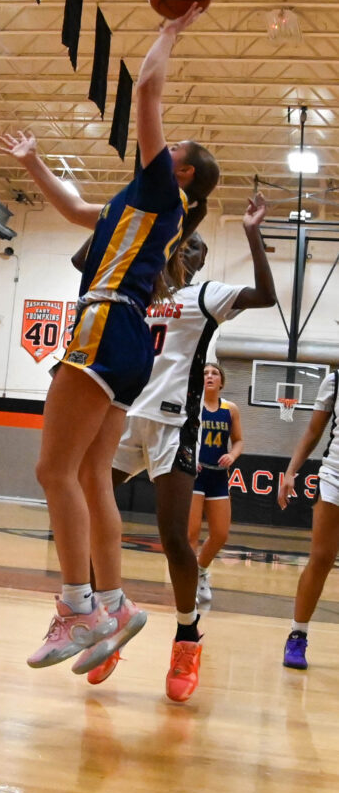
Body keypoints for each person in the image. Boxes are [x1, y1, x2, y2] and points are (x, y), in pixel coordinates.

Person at [0, 4, 220, 676]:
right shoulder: (137, 207)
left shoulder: (161, 192)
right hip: (130, 345)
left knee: (53, 471)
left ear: (182, 172)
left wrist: (169, 32)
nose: (165, 147)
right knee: (93, 474)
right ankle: (115, 604)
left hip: (103, 323)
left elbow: (147, 92)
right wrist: (34, 163)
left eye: (175, 150)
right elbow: (74, 209)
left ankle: (77, 607)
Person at [92, 197, 275, 699]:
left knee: (174, 538)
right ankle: (107, 621)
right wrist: (117, 215)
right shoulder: (141, 286)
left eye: (196, 246)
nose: (186, 249)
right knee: (91, 516)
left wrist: (252, 233)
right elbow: (82, 260)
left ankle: (187, 636)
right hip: (125, 415)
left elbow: (265, 294)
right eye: (182, 242)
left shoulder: (206, 293)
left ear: (202, 259)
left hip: (174, 423)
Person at [278, 369, 338, 670]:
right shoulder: (335, 381)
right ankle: (297, 635)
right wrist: (291, 471)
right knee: (322, 558)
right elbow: (313, 432)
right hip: (335, 476)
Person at [188, 362, 244, 604]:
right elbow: (180, 437)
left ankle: (201, 570)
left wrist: (232, 455)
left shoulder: (230, 409)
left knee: (220, 534)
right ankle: (188, 583)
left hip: (218, 476)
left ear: (221, 381)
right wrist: (190, 457)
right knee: (191, 534)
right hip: (195, 475)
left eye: (214, 373)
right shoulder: (192, 406)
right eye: (205, 373)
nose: (209, 376)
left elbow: (239, 440)